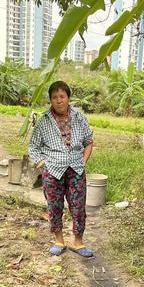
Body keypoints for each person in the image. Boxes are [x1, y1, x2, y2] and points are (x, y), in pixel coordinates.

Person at [29, 81, 94, 257]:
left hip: (76, 169)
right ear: (50, 100)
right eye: (55, 97)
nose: (59, 100)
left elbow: (89, 141)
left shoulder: (78, 117)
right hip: (53, 171)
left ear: (68, 98)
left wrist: (83, 160)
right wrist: (43, 163)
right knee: (54, 206)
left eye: (62, 96)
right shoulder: (44, 120)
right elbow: (33, 146)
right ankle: (59, 240)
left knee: (78, 206)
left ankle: (78, 242)